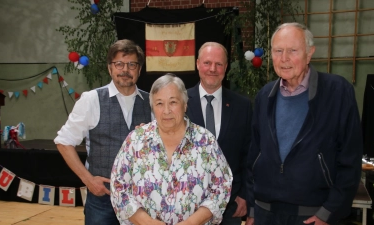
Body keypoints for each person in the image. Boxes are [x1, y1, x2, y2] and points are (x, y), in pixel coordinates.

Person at [245, 22, 363, 225]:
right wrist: (253, 210)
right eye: (278, 51)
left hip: (313, 216)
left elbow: (350, 161)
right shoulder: (264, 96)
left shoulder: (337, 92)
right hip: (265, 214)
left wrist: (328, 212)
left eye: (293, 51)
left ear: (310, 54)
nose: (284, 59)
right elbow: (253, 156)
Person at [110, 74, 233, 225]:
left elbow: (221, 188)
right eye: (159, 103)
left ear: (185, 104)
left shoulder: (206, 141)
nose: (166, 110)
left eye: (173, 102)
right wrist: (147, 222)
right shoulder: (135, 141)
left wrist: (190, 223)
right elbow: (119, 188)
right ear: (153, 107)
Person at [54, 39, 152, 225]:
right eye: (119, 64)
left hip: (143, 201)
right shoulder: (91, 100)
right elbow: (63, 141)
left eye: (132, 64)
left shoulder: (153, 102)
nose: (125, 70)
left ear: (139, 70)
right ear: (110, 68)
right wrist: (88, 180)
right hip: (102, 201)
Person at [186, 42, 252, 225]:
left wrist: (245, 195)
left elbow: (249, 156)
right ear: (198, 64)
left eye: (219, 64)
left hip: (230, 205)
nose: (212, 69)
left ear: (226, 67)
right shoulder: (179, 103)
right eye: (207, 63)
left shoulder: (243, 106)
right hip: (188, 206)